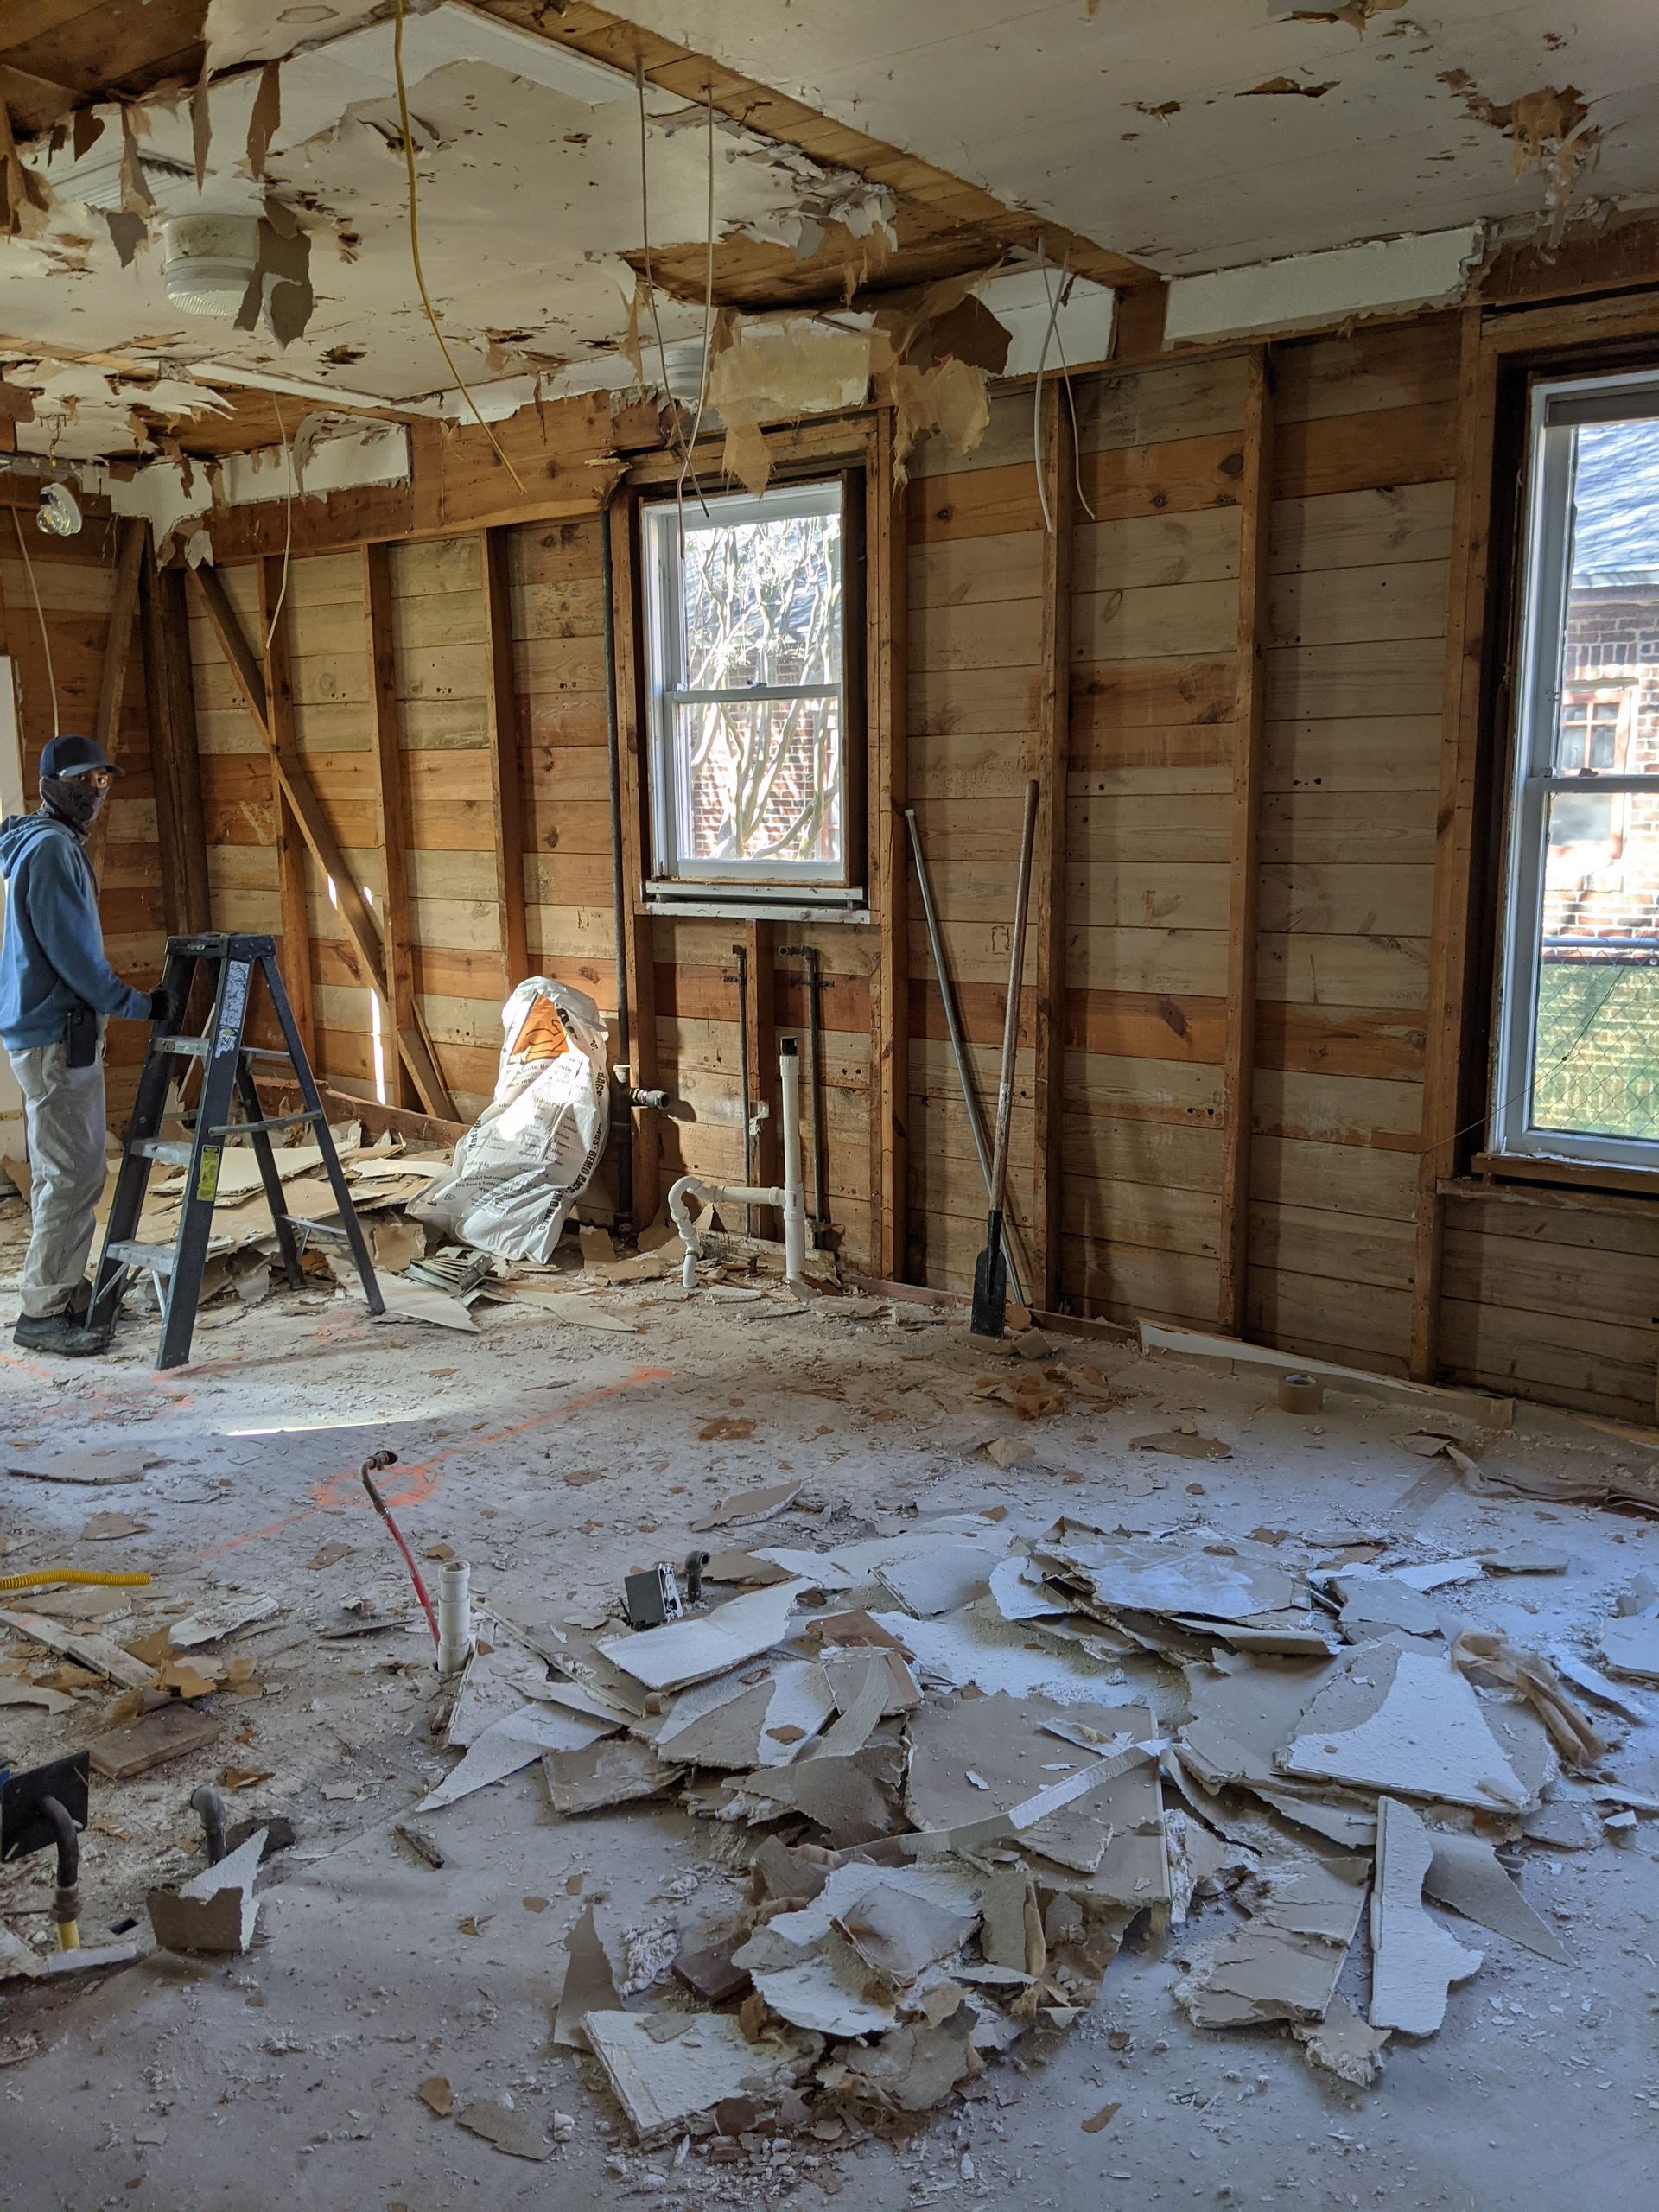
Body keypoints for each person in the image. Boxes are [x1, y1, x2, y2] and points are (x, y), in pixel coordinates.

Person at [0, 734, 165, 1356]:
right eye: (81, 781)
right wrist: (138, 1005)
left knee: (64, 1172)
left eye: (101, 781)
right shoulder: (51, 851)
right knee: (72, 1177)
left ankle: (63, 1285)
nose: (94, 792)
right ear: (49, 786)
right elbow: (75, 956)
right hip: (55, 1035)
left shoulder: (45, 843)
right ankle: (43, 1311)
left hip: (48, 1031)